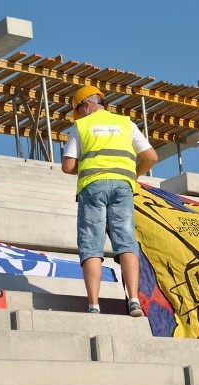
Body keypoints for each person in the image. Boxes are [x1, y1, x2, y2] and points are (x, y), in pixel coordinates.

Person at [61, 86, 158, 316]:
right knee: (126, 242)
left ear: (85, 105)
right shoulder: (126, 123)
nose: (80, 115)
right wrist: (132, 174)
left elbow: (67, 166)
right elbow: (151, 157)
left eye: (79, 110)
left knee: (91, 246)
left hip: (92, 188)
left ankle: (94, 305)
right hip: (123, 187)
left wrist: (89, 167)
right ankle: (134, 300)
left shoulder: (82, 126)